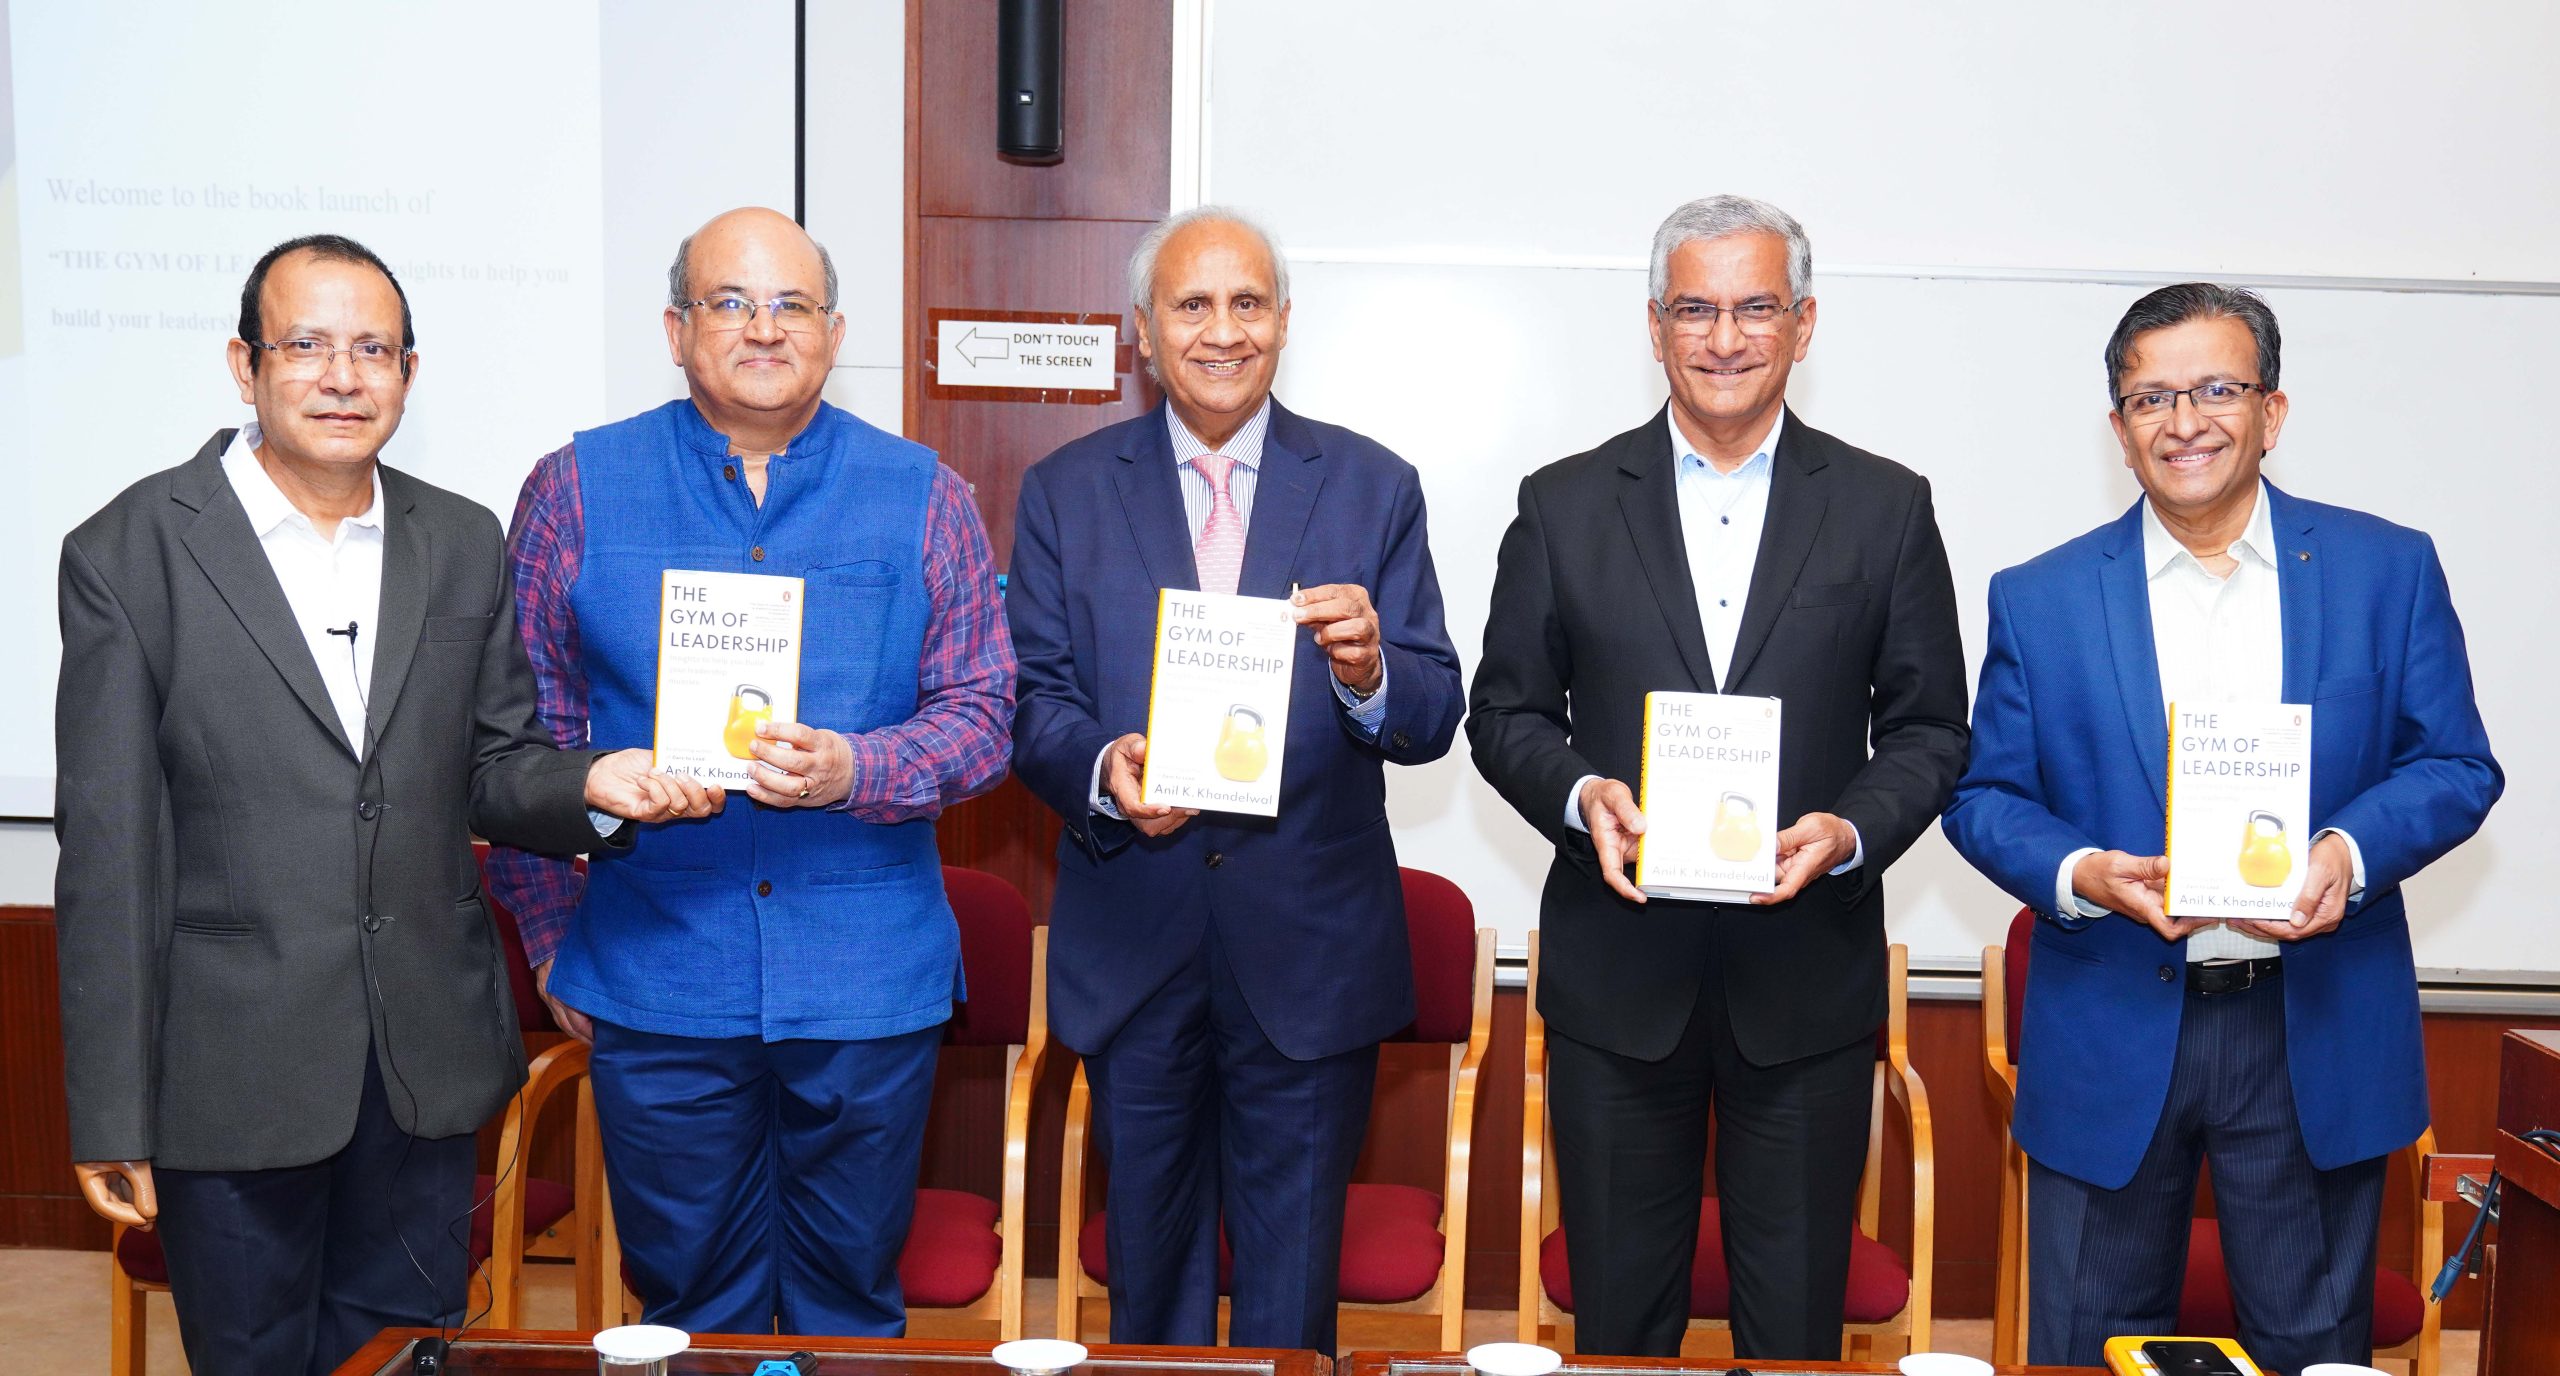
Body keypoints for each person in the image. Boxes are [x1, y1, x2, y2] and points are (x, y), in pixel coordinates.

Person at [54, 233, 689, 1376]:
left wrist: (588, 783)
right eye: (306, 345)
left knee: (407, 1358)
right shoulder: (130, 551)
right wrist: (109, 1108)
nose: (342, 376)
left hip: (421, 1067)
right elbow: (111, 853)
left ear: (408, 372)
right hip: (230, 1075)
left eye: (374, 350)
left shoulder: (459, 538)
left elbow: (495, 763)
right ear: (245, 366)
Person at [1940, 283, 2501, 1372]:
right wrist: (2084, 871)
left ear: (2271, 411)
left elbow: (2456, 764)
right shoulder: (2040, 595)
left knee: (2309, 1350)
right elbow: (1982, 797)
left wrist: (2346, 852)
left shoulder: (2385, 569)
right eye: (2150, 397)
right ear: (2118, 430)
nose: (2182, 420)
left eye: (2215, 389)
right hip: (2110, 1020)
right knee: (2086, 1349)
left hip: (2311, 1025)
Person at [483, 207, 1015, 1336]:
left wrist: (857, 766)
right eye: (729, 302)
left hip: (865, 981)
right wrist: (549, 934)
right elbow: (517, 742)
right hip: (657, 972)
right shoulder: (574, 489)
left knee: (849, 1313)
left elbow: (983, 716)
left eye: (791, 305)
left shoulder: (925, 493)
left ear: (834, 333)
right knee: (690, 1313)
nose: (763, 328)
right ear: (676, 330)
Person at [1467, 195, 1970, 1360]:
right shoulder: (1563, 502)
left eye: (1755, 308)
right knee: (1619, 1330)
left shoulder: (1886, 505)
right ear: (1654, 326)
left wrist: (1848, 828)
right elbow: (1504, 713)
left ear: (1803, 323)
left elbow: (1931, 729)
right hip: (1617, 982)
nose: (1725, 338)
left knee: (1792, 1331)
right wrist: (1579, 795)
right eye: (1695, 309)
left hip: (1805, 986)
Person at [1006, 206, 1463, 1351]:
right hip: (1135, 941)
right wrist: (1104, 768)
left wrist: (1368, 673)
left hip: (1310, 952)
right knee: (1148, 1282)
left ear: (1284, 321)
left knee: (1291, 1290)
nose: (1223, 330)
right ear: (1144, 332)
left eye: (1247, 302)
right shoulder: (1065, 489)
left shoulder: (1371, 484)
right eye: (1192, 305)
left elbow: (1431, 710)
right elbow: (1030, 700)